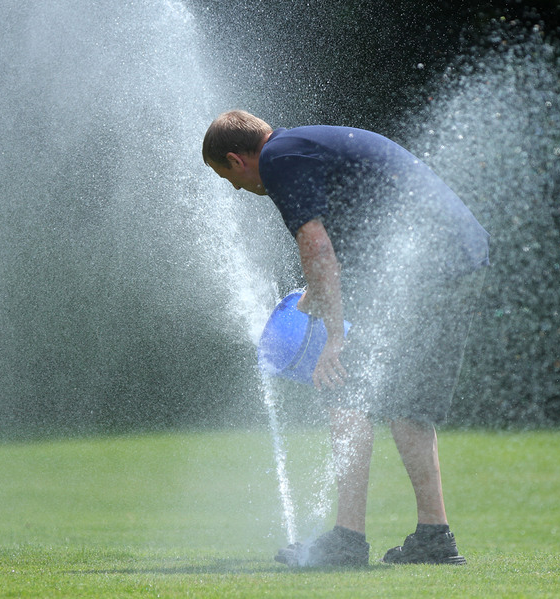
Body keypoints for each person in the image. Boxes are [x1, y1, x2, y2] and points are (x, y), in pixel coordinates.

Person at [202, 110, 489, 567]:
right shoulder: (302, 147)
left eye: (230, 178)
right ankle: (435, 536)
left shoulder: (279, 156)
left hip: (432, 265)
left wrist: (335, 340)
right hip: (457, 259)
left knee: (345, 386)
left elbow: (316, 243)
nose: (239, 189)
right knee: (407, 401)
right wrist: (319, 290)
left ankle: (348, 541)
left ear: (237, 159)